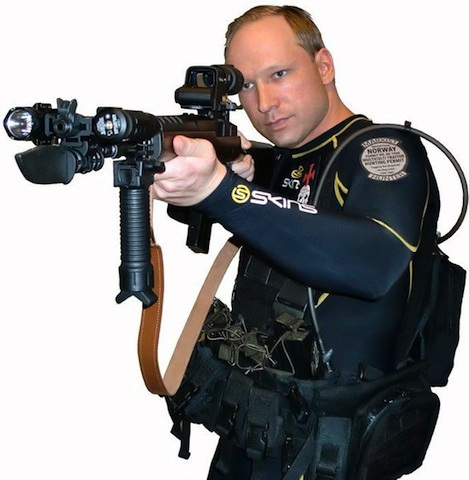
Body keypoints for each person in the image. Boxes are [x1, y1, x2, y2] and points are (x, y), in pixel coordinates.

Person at [153, 5, 442, 480]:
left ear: (323, 65)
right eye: (246, 85)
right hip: (255, 429)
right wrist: (212, 178)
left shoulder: (382, 151)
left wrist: (226, 193)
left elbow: (372, 264)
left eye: (279, 74)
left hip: (330, 447)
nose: (265, 102)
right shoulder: (277, 162)